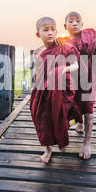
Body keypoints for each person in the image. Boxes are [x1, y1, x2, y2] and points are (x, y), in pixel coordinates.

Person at [30, 16, 82, 164]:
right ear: (38, 34)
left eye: (53, 29)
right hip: (43, 90)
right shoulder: (38, 52)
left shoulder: (63, 45)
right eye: (46, 30)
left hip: (61, 87)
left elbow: (75, 65)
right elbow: (37, 71)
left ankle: (71, 125)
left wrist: (63, 69)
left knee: (65, 113)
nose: (50, 33)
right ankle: (48, 149)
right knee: (41, 118)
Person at [56, 11, 96, 160]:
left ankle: (87, 143)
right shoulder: (63, 41)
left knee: (88, 110)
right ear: (65, 26)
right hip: (72, 80)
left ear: (82, 25)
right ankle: (77, 124)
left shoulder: (89, 37)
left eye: (78, 21)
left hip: (88, 78)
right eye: (71, 21)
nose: (75, 23)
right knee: (71, 105)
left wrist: (93, 42)